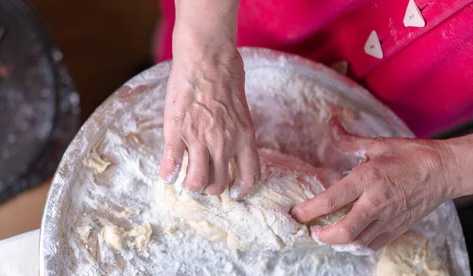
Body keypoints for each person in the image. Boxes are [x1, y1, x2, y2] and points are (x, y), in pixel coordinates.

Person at [155, 0, 473, 251]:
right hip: (240, 20)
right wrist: (204, 54)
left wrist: (448, 169)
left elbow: (452, 168)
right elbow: (202, 48)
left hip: (416, 96)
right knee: (173, 107)